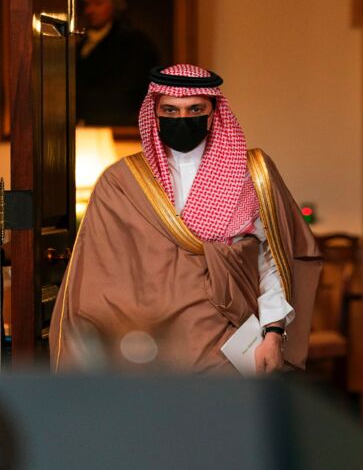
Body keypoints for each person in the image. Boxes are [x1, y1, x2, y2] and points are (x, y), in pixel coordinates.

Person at [50, 64, 322, 374]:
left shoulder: (252, 173)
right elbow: (98, 277)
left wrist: (273, 333)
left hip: (230, 341)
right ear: (154, 113)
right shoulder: (122, 182)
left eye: (194, 108)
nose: (182, 118)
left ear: (212, 112)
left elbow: (272, 260)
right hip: (149, 352)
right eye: (170, 109)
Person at [77, 0, 159, 126]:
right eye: (87, 4)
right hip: (83, 124)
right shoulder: (80, 44)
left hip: (119, 125)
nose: (90, 10)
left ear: (114, 6)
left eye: (97, 3)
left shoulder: (134, 43)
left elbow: (127, 91)